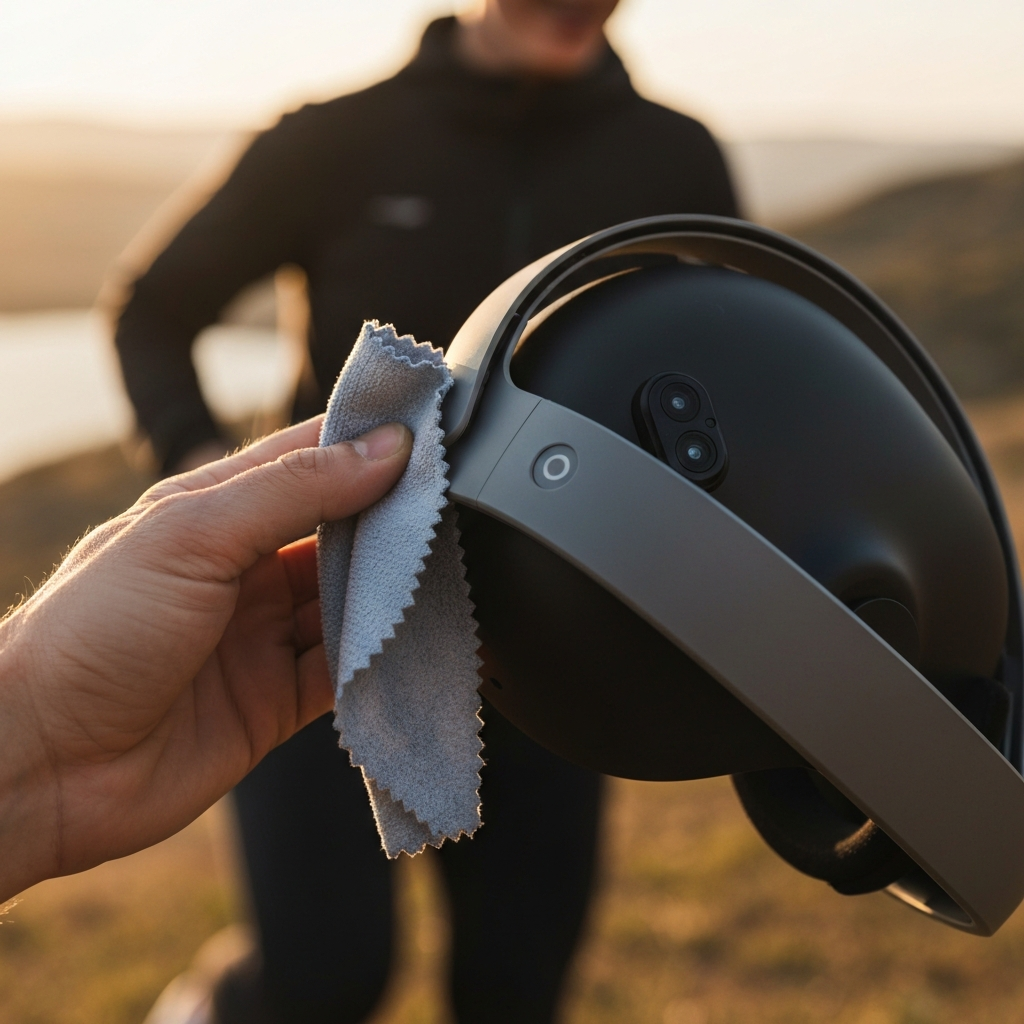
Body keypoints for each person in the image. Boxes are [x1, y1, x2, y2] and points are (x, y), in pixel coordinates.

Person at [113, 1, 740, 1021]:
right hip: (334, 615)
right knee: (323, 978)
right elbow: (154, 306)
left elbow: (725, 354)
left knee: (513, 984)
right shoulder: (333, 136)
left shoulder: (672, 154)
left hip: (557, 633)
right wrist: (207, 473)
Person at [0, 419, 411, 905]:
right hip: (289, 640)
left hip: (302, 643)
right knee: (321, 965)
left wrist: (36, 733)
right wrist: (33, 722)